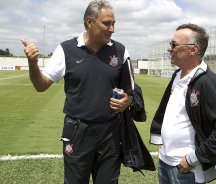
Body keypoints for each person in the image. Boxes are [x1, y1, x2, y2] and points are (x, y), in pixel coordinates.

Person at [20, 1, 154, 183]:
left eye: (114, 23)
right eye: (107, 23)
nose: (112, 29)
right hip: (77, 130)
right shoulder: (66, 49)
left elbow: (132, 92)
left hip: (111, 132)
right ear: (89, 22)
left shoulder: (120, 51)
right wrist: (33, 64)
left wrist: (127, 101)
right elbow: (41, 85)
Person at [150, 23, 216, 184]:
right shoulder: (177, 75)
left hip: (187, 169)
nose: (169, 48)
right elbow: (167, 112)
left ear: (193, 49)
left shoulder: (207, 82)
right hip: (165, 161)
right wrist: (164, 144)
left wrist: (193, 158)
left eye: (174, 44)